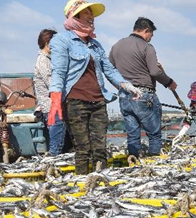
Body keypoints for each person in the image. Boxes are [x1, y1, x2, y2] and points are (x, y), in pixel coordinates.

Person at [49, 0, 141, 174]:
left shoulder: (95, 45)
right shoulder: (61, 40)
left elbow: (109, 69)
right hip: (75, 102)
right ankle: (83, 183)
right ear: (74, 16)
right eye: (87, 14)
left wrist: (126, 85)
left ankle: (100, 183)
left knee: (100, 148)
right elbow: (58, 72)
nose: (92, 18)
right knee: (83, 148)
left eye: (92, 15)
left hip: (98, 101)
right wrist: (55, 98)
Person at [109, 17, 177, 158]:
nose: (150, 39)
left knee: (132, 134)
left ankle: (133, 160)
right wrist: (169, 82)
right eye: (151, 35)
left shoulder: (116, 46)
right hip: (144, 94)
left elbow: (110, 72)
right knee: (154, 134)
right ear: (146, 31)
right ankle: (154, 161)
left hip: (124, 96)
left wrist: (120, 87)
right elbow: (155, 71)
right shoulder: (146, 47)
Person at [34, 29, 68, 155]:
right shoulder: (43, 60)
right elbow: (52, 83)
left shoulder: (49, 59)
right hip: (51, 108)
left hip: (55, 107)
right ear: (48, 43)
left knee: (61, 145)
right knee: (56, 147)